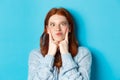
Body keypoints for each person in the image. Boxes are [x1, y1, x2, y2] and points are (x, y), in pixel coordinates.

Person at [28, 7, 92, 80]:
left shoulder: (83, 54)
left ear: (70, 28)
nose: (57, 28)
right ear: (47, 29)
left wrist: (66, 54)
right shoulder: (36, 55)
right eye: (52, 24)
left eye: (62, 24)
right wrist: (50, 55)